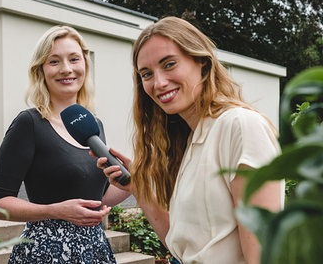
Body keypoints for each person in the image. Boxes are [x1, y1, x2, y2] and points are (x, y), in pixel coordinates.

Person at [99, 16, 284, 264]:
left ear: (202, 63)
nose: (159, 83)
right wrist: (139, 188)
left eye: (169, 64)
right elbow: (183, 247)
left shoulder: (240, 126)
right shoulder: (190, 143)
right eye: (147, 74)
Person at [0, 25, 127, 263]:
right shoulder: (29, 123)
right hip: (45, 250)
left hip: (94, 249)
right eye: (54, 61)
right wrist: (54, 211)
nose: (67, 69)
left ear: (85, 64)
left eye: (74, 59)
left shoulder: (94, 124)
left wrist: (133, 183)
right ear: (41, 69)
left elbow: (99, 197)